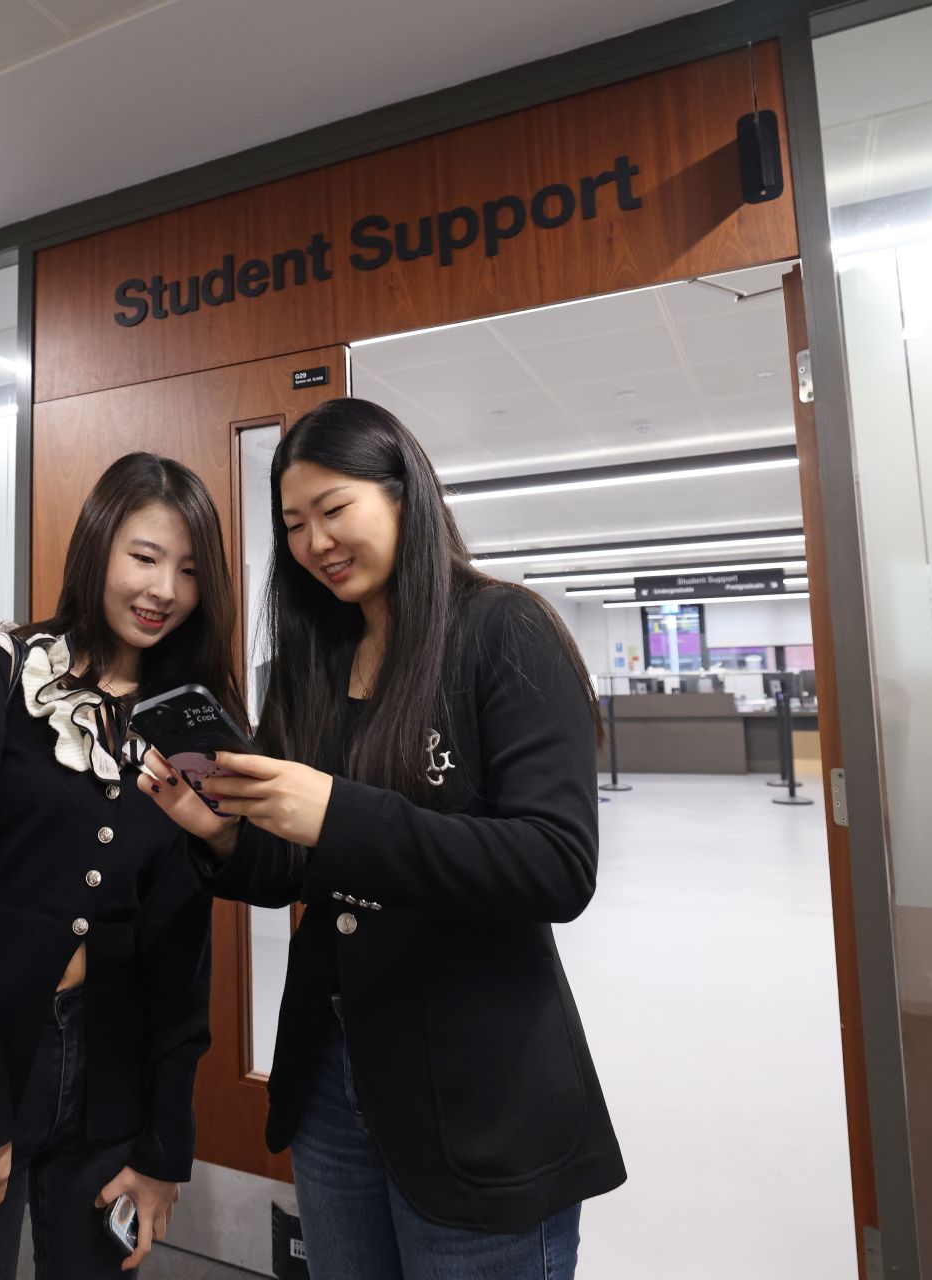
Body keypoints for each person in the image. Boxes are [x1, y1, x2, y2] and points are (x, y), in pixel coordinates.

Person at [141, 398, 624, 1279]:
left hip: (479, 1093)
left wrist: (337, 812)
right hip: (333, 1076)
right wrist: (217, 834)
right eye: (293, 524)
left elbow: (557, 864)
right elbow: (294, 865)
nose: (315, 542)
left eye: (335, 510)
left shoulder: (503, 631)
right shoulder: (313, 663)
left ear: (406, 494)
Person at [0, 452, 244, 1277]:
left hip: (111, 1079)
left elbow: (182, 951)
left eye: (187, 571)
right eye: (144, 557)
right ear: (97, 547)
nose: (164, 591)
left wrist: (163, 1150)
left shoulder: (186, 731)